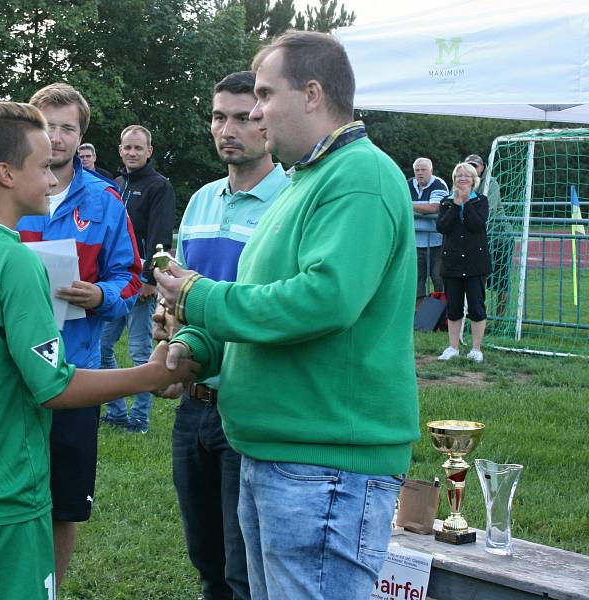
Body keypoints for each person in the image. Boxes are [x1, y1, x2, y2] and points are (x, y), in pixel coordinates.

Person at [154, 31, 419, 600]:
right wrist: (196, 348)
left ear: (313, 94)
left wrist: (197, 297)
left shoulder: (361, 177)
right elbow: (265, 306)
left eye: (266, 94)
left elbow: (325, 301)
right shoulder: (308, 181)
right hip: (280, 454)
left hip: (324, 466)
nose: (254, 111)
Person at [0, 101, 196, 599]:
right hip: (1, 501)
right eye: (42, 168)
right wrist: (153, 374)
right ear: (6, 174)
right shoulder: (13, 262)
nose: (54, 181)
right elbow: (53, 386)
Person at [153, 70, 289, 600]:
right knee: (207, 561)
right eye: (217, 116)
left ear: (265, 120)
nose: (227, 129)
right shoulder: (202, 201)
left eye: (242, 116)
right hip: (193, 404)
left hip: (251, 401)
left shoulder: (291, 202)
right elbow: (180, 299)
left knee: (245, 571)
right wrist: (166, 332)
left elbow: (279, 310)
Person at [15, 82, 143, 589]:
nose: (58, 137)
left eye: (68, 127)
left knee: (64, 503)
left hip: (75, 373)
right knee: (9, 494)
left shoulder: (106, 201)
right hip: (12, 373)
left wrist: (101, 296)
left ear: (81, 135)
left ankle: (50, 589)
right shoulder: (11, 189)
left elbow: (131, 276)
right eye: (48, 126)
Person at [100, 125, 176, 433]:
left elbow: (161, 236)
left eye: (138, 148)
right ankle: (118, 411)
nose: (132, 153)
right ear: (120, 150)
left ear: (149, 151)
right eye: (127, 148)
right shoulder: (117, 184)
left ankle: (140, 419)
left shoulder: (159, 186)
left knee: (140, 353)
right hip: (117, 282)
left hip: (141, 284)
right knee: (103, 347)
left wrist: (150, 279)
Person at [436, 162, 491, 363]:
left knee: (477, 306)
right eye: (458, 175)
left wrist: (466, 203)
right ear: (454, 179)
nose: (462, 178)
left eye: (466, 175)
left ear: (473, 180)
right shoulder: (446, 202)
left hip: (475, 262)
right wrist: (456, 205)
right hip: (452, 263)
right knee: (454, 307)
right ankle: (453, 347)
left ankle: (476, 349)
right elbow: (442, 227)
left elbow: (476, 224)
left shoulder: (481, 201)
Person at [465, 153, 510, 316]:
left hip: (499, 238)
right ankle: (476, 315)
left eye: (475, 165)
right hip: (475, 238)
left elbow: (486, 212)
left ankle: (500, 319)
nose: (472, 168)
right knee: (475, 279)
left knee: (501, 281)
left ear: (482, 167)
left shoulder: (491, 183)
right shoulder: (461, 182)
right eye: (469, 165)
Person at [408, 157, 449, 306]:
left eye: (423, 170)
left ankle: (442, 313)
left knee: (439, 278)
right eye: (417, 170)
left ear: (431, 170)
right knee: (417, 279)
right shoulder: (408, 184)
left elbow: (434, 207)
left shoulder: (439, 184)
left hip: (437, 242)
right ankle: (418, 314)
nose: (420, 173)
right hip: (415, 242)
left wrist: (408, 204)